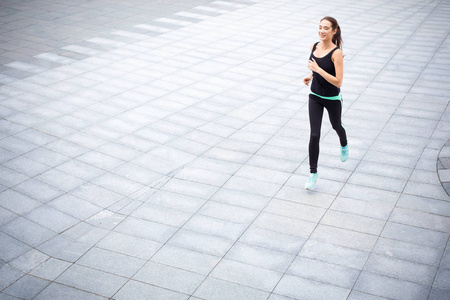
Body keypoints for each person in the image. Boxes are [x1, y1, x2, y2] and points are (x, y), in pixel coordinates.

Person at [303, 16, 348, 190]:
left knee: (336, 125)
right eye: (320, 27)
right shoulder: (314, 46)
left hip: (332, 99)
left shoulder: (336, 53)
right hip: (314, 96)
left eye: (326, 28)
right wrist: (311, 76)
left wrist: (317, 70)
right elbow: (316, 69)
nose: (322, 31)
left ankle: (343, 143)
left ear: (334, 31)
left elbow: (338, 81)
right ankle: (313, 173)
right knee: (314, 135)